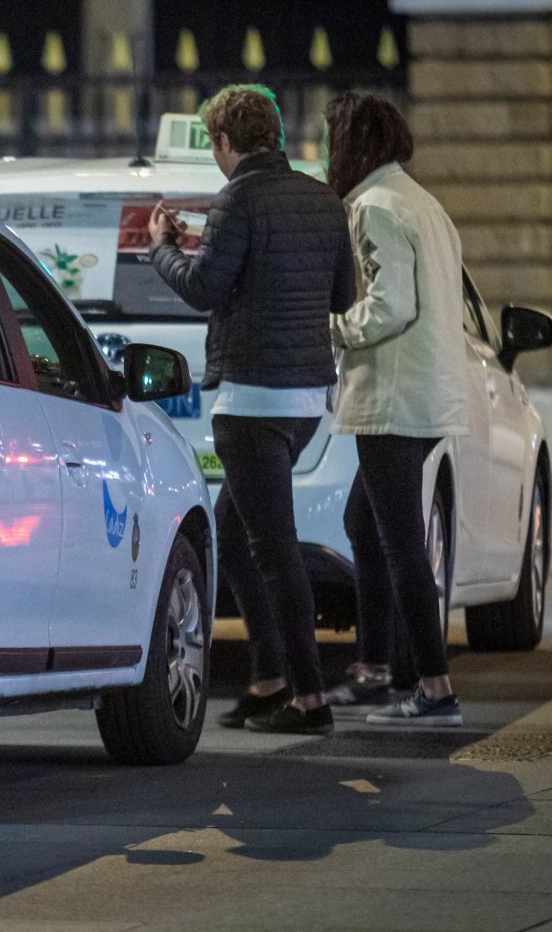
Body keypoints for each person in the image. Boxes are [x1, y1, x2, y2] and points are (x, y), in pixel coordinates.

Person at [150, 85, 354, 735]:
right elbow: (344, 294)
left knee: (271, 549)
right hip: (305, 403)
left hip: (251, 402)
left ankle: (310, 697)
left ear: (224, 141)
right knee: (232, 533)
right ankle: (269, 680)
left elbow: (204, 287)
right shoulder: (323, 199)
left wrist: (163, 248)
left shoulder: (237, 197)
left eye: (214, 144)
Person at [322, 91, 468, 727]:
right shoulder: (422, 202)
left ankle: (434, 688)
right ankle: (373, 669)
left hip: (392, 399)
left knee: (400, 540)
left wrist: (333, 327)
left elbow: (390, 305)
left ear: (353, 143)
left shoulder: (374, 207)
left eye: (333, 138)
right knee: (364, 522)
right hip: (424, 395)